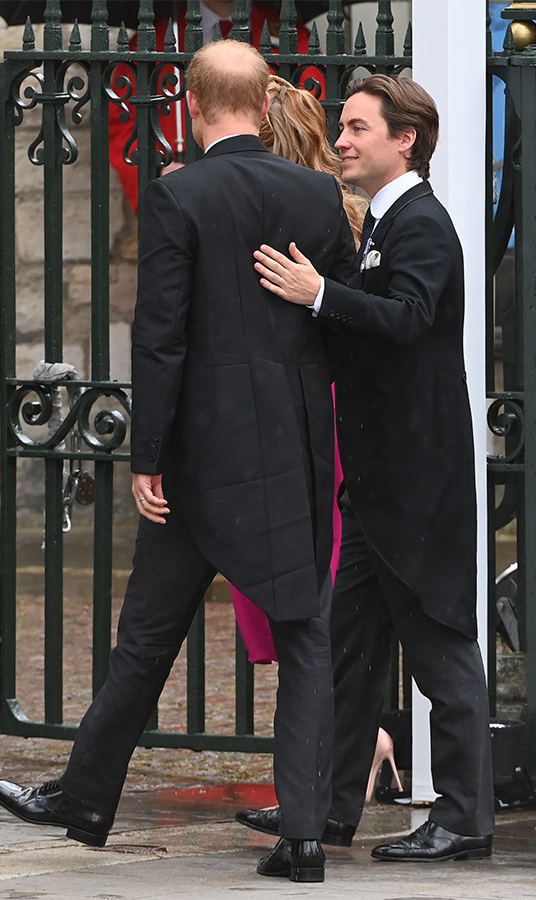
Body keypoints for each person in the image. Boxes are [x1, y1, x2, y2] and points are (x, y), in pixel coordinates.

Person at [0, 39, 357, 884]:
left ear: (191, 105)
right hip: (291, 452)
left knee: (147, 639)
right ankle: (303, 838)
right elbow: (332, 325)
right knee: (304, 637)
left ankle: (83, 797)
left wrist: (146, 457)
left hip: (197, 463)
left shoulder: (177, 194)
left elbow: (161, 337)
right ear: (264, 103)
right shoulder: (314, 193)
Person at [237, 74, 495, 862]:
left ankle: (465, 820)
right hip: (377, 489)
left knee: (443, 648)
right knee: (345, 653)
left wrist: (321, 296)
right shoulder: (384, 224)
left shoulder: (422, 225)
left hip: (418, 487)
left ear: (404, 139)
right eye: (343, 128)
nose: (341, 140)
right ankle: (325, 809)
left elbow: (410, 318)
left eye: (355, 128)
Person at [231, 75, 365, 665]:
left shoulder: (243, 214)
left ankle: (356, 738)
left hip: (294, 408)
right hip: (329, 403)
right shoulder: (345, 214)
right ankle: (355, 736)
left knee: (300, 569)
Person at [109, 1, 321, 212]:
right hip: (183, 195)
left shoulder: (292, 35)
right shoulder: (153, 38)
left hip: (270, 195)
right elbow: (121, 120)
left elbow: (313, 114)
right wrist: (155, 168)